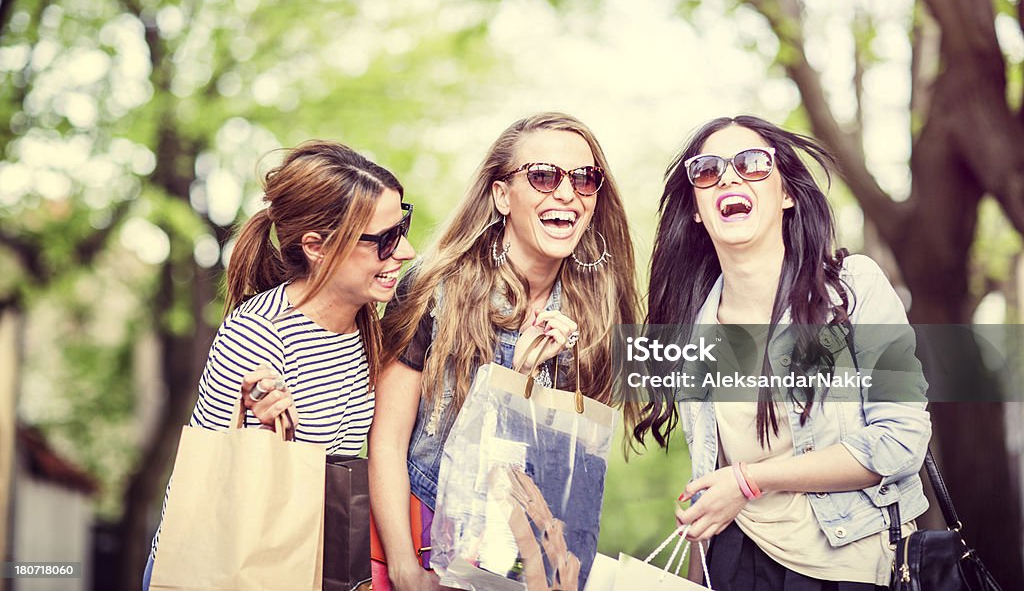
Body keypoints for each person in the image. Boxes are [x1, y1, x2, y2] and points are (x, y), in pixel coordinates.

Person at [636, 116, 931, 590]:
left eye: (752, 164)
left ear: (786, 193)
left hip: (850, 566)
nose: (728, 177)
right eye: (707, 170)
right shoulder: (693, 329)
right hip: (735, 564)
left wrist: (750, 480)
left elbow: (900, 440)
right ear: (695, 208)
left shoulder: (854, 288)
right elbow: (710, 480)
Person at [368, 112, 641, 591]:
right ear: (501, 195)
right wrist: (403, 563)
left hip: (527, 556)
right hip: (429, 534)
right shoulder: (435, 289)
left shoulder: (598, 314)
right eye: (542, 175)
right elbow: (387, 438)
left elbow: (569, 471)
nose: (566, 192)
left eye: (585, 178)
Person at [142, 140, 416, 589]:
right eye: (384, 240)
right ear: (317, 246)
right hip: (223, 568)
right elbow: (229, 487)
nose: (403, 251)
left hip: (296, 561)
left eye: (401, 226)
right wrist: (265, 424)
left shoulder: (366, 326)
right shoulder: (260, 333)